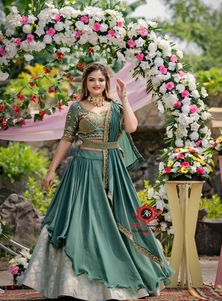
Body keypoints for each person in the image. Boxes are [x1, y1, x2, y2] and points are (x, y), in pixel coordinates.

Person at [21, 62, 173, 300]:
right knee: (82, 221)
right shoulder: (76, 108)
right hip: (83, 169)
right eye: (92, 80)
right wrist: (51, 171)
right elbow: (66, 139)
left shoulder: (116, 107)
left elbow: (131, 127)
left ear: (106, 83)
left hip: (113, 168)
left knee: (120, 218)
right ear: (85, 83)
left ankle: (126, 278)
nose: (96, 84)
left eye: (100, 80)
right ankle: (73, 285)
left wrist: (125, 99)